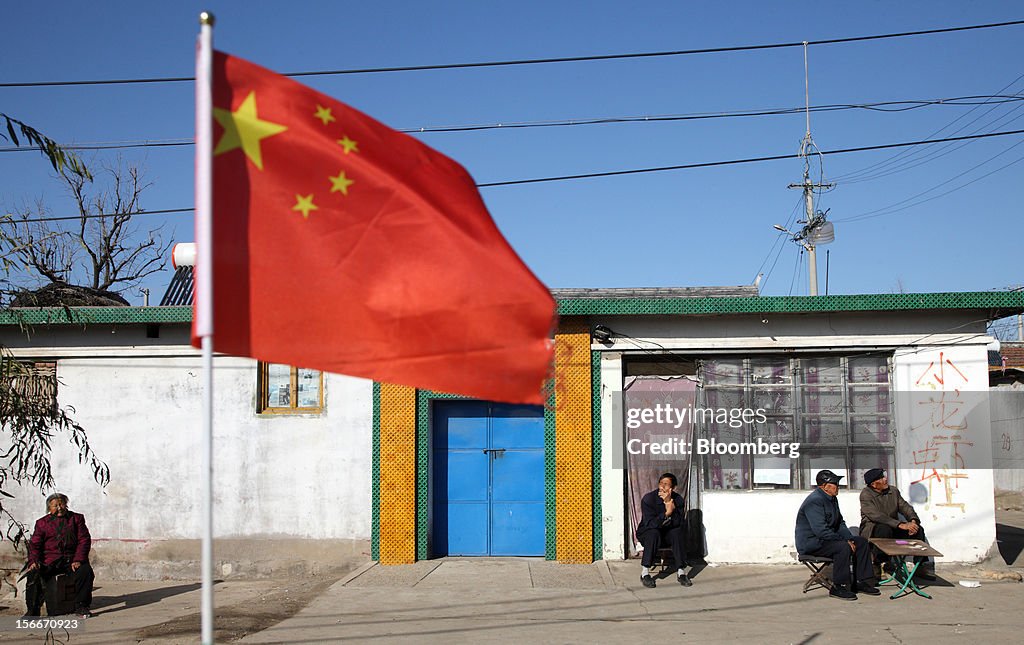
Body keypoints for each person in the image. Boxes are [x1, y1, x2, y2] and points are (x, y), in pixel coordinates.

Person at [795, 470, 878, 600]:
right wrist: (844, 542)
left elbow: (840, 523)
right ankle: (839, 586)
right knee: (842, 547)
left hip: (827, 540)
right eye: (834, 484)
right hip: (812, 543)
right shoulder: (814, 502)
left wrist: (849, 539)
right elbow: (820, 531)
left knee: (861, 542)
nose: (838, 486)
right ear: (823, 486)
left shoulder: (832, 499)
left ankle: (861, 581)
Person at [24, 493, 94, 618]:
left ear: (66, 504)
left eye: (61, 504)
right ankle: (32, 611)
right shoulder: (42, 523)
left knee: (85, 572)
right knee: (34, 574)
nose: (59, 508)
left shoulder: (76, 519)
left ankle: (81, 606)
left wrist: (78, 559)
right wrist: (33, 561)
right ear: (49, 508)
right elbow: (35, 545)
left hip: (71, 560)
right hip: (50, 561)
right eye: (55, 506)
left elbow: (84, 540)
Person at [859, 468, 935, 580]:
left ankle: (920, 565)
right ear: (874, 484)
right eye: (881, 478)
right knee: (884, 529)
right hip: (874, 529)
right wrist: (900, 524)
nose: (885, 479)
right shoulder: (866, 495)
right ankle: (878, 564)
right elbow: (876, 516)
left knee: (918, 530)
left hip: (894, 527)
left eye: (884, 476)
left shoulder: (893, 491)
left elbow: (905, 507)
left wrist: (913, 520)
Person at [637, 472, 692, 588]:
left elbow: (679, 522)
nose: (662, 487)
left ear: (673, 488)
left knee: (677, 533)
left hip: (668, 533)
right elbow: (650, 524)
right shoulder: (649, 499)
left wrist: (668, 502)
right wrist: (667, 513)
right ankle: (645, 573)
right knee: (653, 533)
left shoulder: (678, 500)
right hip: (648, 532)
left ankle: (681, 572)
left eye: (666, 484)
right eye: (661, 483)